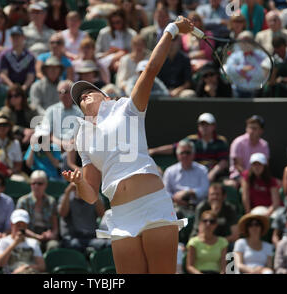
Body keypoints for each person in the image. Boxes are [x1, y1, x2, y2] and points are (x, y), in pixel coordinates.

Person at [62, 16, 193, 273]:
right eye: (79, 98)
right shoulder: (83, 137)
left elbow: (151, 69)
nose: (84, 95)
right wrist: (79, 183)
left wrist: (171, 30)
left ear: (107, 96)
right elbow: (90, 195)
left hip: (153, 205)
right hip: (120, 216)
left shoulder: (127, 109)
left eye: (89, 90)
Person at [163, 140, 210, 218]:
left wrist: (190, 192)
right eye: (182, 153)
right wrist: (176, 198)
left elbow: (205, 190)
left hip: (197, 205)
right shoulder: (170, 171)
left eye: (188, 152)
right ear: (178, 155)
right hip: (176, 206)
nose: (185, 155)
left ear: (193, 154)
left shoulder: (202, 170)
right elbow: (165, 192)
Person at [58, 183, 110, 253]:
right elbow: (62, 213)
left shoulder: (94, 197)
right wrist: (67, 192)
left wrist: (94, 192)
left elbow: (102, 214)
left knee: (109, 244)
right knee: (74, 245)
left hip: (91, 237)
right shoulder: (66, 197)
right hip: (73, 237)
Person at [16, 170, 59, 253]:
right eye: (33, 183)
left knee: (53, 246)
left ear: (45, 185)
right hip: (29, 234)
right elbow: (19, 227)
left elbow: (55, 226)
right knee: (35, 245)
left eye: (40, 183)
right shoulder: (23, 201)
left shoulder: (51, 201)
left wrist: (52, 234)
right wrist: (36, 236)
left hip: (46, 234)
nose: (36, 186)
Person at [0, 209, 46, 274]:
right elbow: (0, 263)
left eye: (23, 225)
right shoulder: (3, 241)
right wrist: (14, 243)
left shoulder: (33, 242)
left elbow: (42, 266)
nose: (20, 228)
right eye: (18, 225)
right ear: (11, 224)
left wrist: (26, 268)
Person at [227, 115, 269, 188]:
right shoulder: (238, 143)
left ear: (261, 131)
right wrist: (250, 179)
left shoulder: (264, 145)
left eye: (254, 128)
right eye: (249, 127)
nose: (251, 131)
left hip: (258, 177)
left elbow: (265, 165)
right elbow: (238, 166)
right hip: (238, 177)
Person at [41, 80, 82, 149]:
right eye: (60, 92)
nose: (63, 95)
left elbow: (84, 132)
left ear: (72, 93)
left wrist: (72, 143)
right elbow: (46, 132)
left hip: (76, 147)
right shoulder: (51, 110)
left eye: (66, 92)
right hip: (55, 146)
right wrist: (62, 144)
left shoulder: (79, 111)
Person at [95, 8, 136, 74]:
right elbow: (96, 54)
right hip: (107, 60)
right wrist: (108, 53)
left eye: (118, 22)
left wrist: (122, 53)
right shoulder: (103, 33)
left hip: (125, 60)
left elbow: (135, 53)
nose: (115, 25)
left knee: (119, 63)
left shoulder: (132, 34)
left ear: (123, 21)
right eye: (113, 23)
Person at [0, 84, 38, 150]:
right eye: (10, 96)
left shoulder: (31, 110)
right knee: (16, 140)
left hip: (32, 135)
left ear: (22, 97)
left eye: (16, 96)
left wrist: (31, 132)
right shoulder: (5, 111)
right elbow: (5, 126)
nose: (13, 98)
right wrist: (23, 131)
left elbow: (39, 125)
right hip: (14, 136)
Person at [0, 25, 35, 93]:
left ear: (23, 38)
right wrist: (13, 87)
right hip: (8, 85)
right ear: (10, 38)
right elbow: (3, 75)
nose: (16, 39)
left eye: (18, 36)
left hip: (23, 86)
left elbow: (30, 76)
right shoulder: (4, 55)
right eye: (13, 37)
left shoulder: (29, 56)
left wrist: (24, 87)